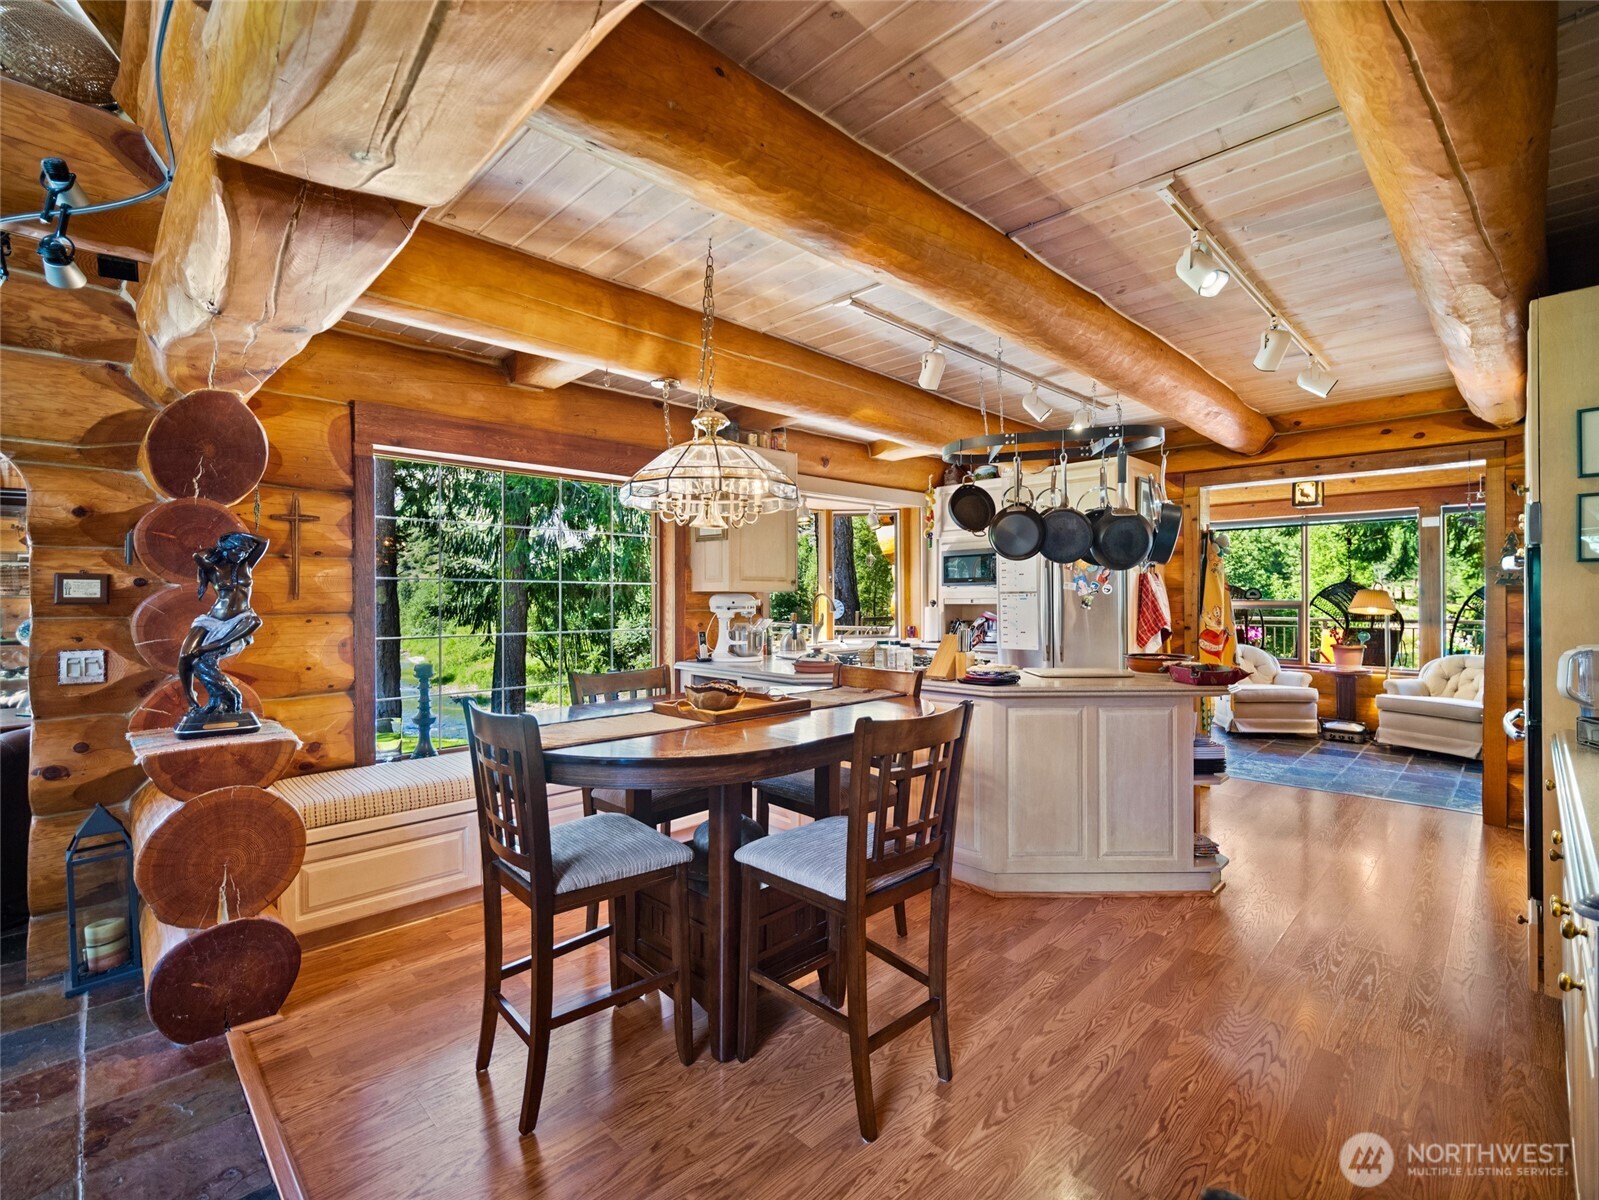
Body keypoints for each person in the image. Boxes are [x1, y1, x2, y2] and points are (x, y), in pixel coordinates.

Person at [176, 531, 269, 739]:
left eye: (245, 550)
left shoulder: (246, 565)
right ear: (226, 550)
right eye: (237, 550)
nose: (243, 554)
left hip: (240, 618)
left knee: (253, 622)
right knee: (186, 656)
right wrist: (221, 544)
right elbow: (197, 556)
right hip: (214, 618)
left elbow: (263, 542)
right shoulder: (214, 568)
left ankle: (214, 656)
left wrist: (240, 537)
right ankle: (191, 698)